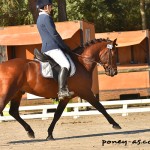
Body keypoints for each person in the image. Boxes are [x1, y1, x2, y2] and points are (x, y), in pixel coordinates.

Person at [36, 0, 73, 100]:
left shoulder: (39, 18)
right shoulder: (46, 17)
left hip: (46, 47)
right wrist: (64, 46)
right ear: (46, 6)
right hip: (52, 47)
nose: (51, 8)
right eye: (51, 6)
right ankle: (62, 90)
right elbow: (54, 34)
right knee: (66, 64)